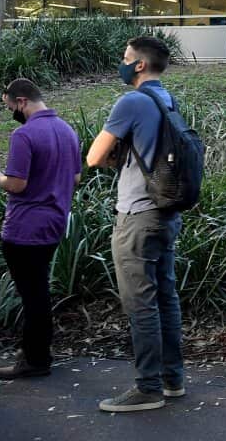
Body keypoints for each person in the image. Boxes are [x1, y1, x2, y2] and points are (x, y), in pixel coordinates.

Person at [86, 36, 185, 413]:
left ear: (140, 65)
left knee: (140, 303)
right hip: (166, 211)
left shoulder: (130, 101)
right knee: (165, 297)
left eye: (126, 58)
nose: (122, 63)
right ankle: (172, 379)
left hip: (137, 215)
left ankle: (147, 388)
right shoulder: (168, 99)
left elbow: (94, 157)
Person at [0, 78, 81, 381]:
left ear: (22, 101)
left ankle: (36, 359)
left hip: (24, 228)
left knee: (32, 295)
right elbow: (75, 179)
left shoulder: (24, 135)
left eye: (10, 105)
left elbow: (17, 184)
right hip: (54, 223)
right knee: (38, 290)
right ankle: (37, 352)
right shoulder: (67, 130)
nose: (11, 110)